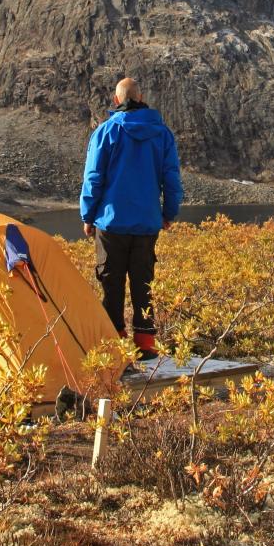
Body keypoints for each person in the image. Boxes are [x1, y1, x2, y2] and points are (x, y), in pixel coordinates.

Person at [80, 77, 183, 360]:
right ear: (140, 97)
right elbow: (171, 179)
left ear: (116, 100)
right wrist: (168, 213)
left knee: (111, 284)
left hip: (111, 224)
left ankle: (115, 343)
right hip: (147, 224)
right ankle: (146, 343)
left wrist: (87, 216)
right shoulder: (162, 134)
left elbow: (93, 178)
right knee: (143, 282)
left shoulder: (105, 132)